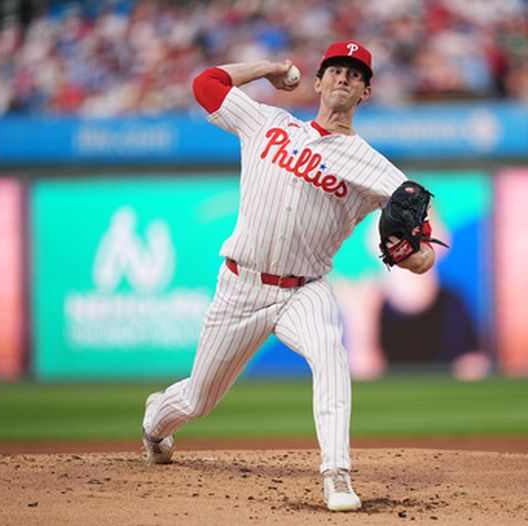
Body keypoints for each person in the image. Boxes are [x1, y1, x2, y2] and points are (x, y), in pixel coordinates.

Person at [139, 40, 437, 512]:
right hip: (241, 285)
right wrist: (268, 69)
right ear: (318, 81)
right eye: (336, 70)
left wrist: (410, 255)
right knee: (198, 399)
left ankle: (336, 475)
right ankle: (155, 422)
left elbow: (421, 255)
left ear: (365, 92)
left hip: (305, 289)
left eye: (355, 74)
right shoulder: (267, 122)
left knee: (330, 355)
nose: (344, 77)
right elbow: (205, 84)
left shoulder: (376, 168)